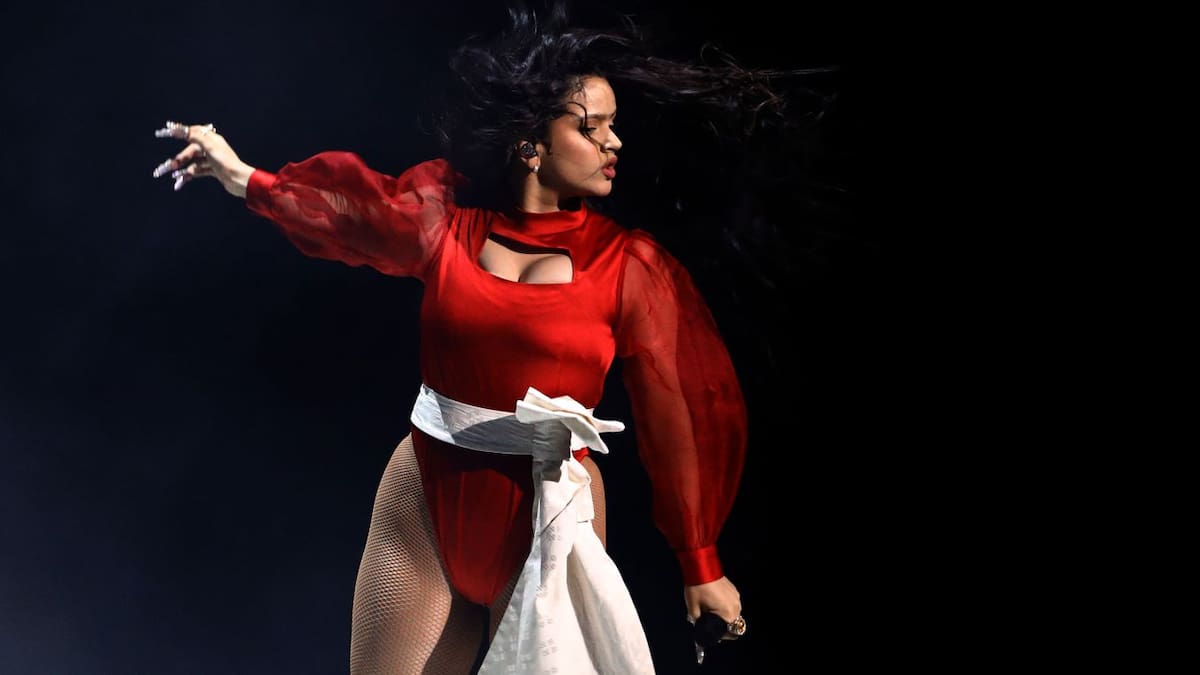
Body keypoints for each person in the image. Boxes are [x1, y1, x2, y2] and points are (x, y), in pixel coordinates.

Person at [151, 2, 829, 671]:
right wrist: (241, 177)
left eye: (613, 126)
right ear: (530, 145)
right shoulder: (446, 225)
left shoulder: (629, 265)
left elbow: (679, 411)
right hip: (424, 501)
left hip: (550, 517)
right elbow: (352, 214)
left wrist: (700, 561)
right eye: (591, 128)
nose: (614, 143)